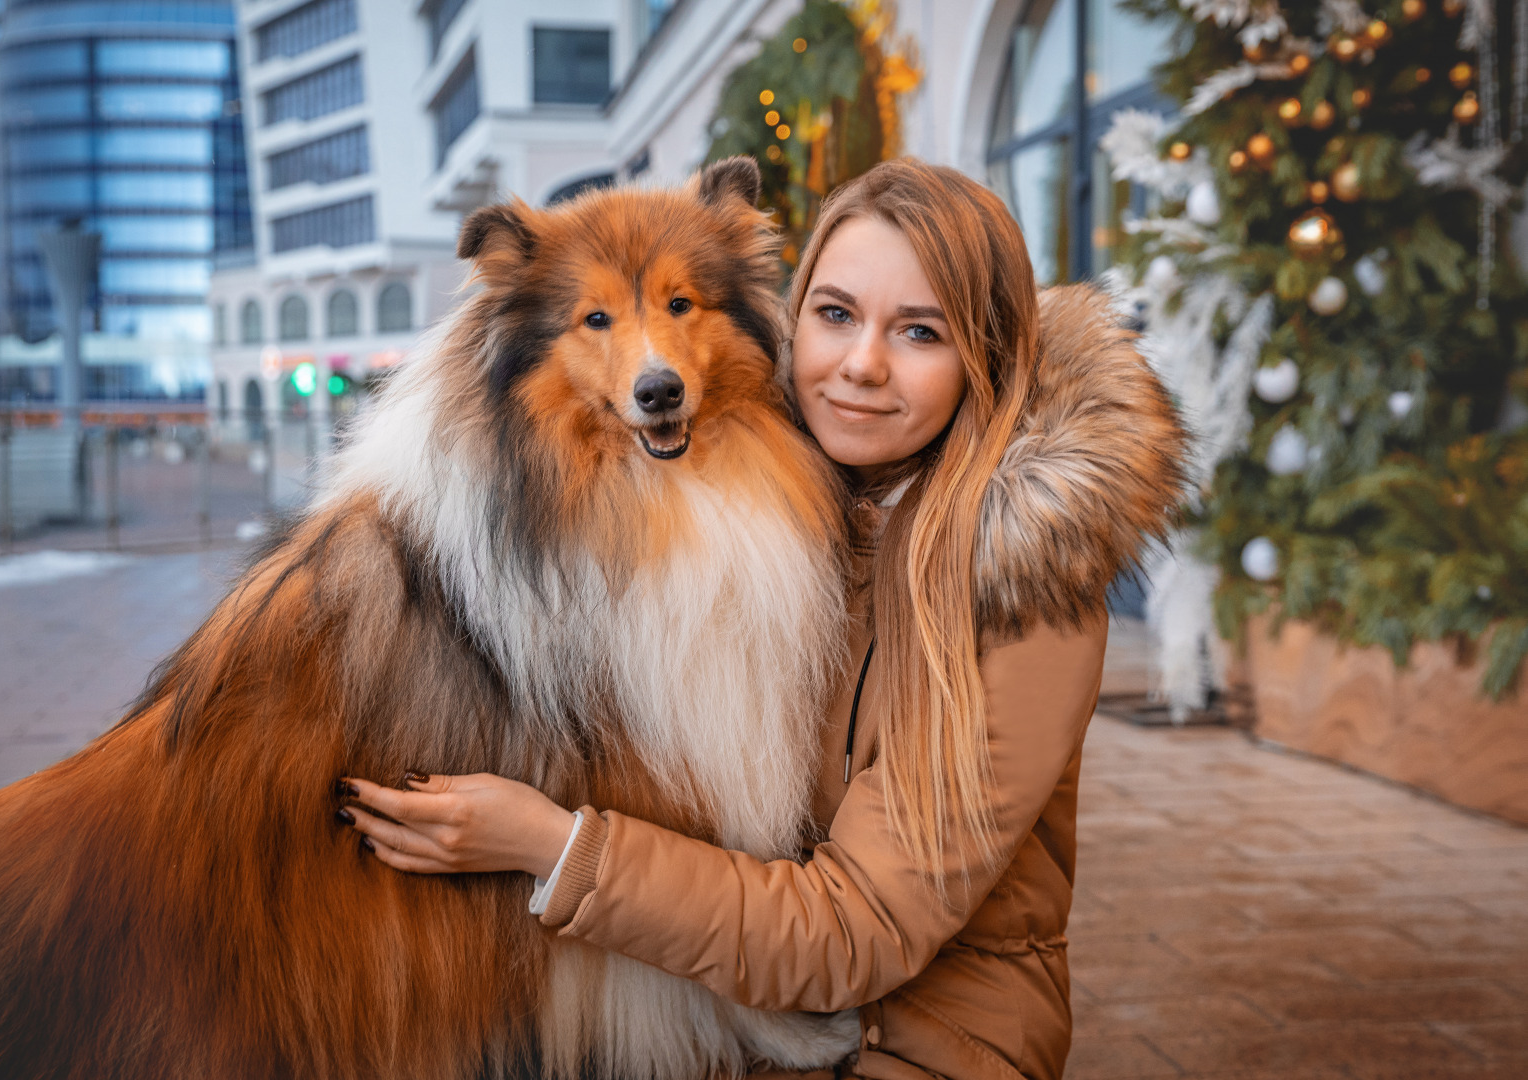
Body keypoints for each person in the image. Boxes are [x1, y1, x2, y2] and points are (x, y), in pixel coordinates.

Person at [336, 159, 1186, 1079]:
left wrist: (551, 843)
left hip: (913, 1045)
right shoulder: (805, 496)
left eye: (920, 331)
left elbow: (854, 931)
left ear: (987, 350)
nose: (861, 364)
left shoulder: (1022, 591)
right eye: (834, 315)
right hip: (757, 1013)